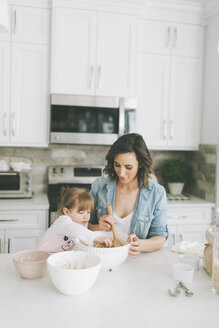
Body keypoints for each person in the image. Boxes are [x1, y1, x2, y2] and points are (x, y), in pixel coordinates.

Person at [88, 133, 168, 258]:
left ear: (140, 164)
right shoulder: (99, 187)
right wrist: (98, 227)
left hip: (137, 262)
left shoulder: (156, 193)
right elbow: (83, 226)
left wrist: (140, 244)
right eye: (117, 165)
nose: (121, 173)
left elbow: (160, 237)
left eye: (128, 167)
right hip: (103, 257)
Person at [38, 187, 112, 253]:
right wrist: (96, 238)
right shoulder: (63, 221)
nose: (86, 217)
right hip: (44, 255)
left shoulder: (81, 222)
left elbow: (84, 235)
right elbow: (76, 230)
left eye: (88, 212)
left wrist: (99, 231)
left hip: (59, 257)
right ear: (67, 212)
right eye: (81, 213)